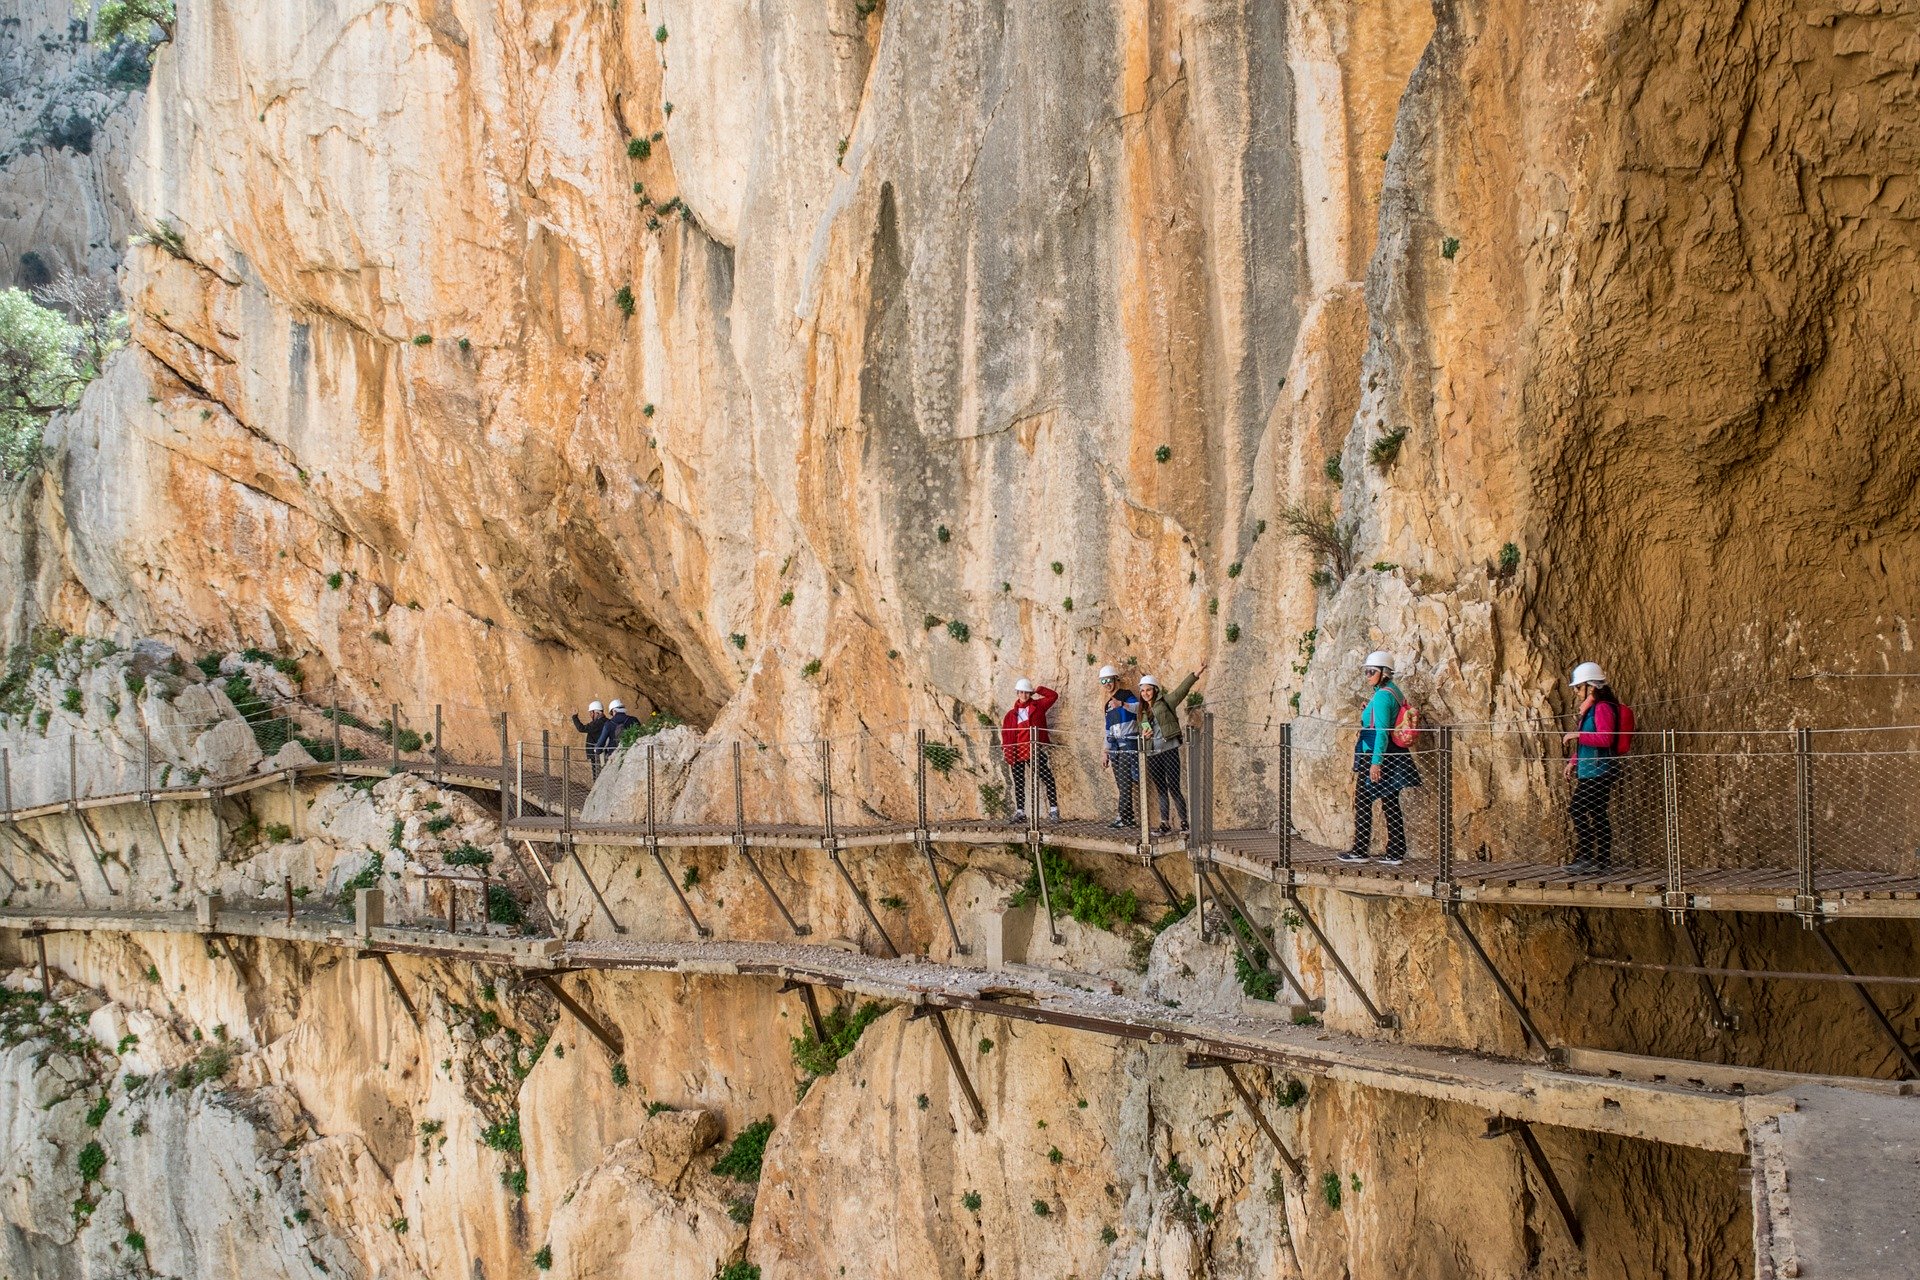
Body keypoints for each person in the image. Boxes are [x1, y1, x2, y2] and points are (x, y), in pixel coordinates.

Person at [1339, 652, 1420, 866]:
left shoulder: (1383, 696)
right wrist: (1370, 709)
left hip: (1376, 754)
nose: (1367, 675)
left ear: (1383, 672)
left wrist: (1376, 763)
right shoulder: (1390, 692)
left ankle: (1360, 850)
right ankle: (1395, 851)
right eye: (1366, 671)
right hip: (1390, 754)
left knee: (1363, 801)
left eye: (1371, 671)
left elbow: (1382, 731)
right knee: (1389, 801)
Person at [1562, 663, 1623, 872]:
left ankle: (1586, 856)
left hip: (1600, 771)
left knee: (1577, 809)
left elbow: (1605, 738)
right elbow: (1588, 743)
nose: (1576, 692)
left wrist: (1577, 735)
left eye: (1579, 687)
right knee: (1597, 812)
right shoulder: (1591, 711)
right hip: (1591, 770)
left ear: (1591, 686)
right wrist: (1573, 761)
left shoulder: (1603, 708)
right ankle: (1603, 861)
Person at [1138, 665, 1204, 835]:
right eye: (1143, 691)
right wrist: (1145, 735)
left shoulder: (1166, 701)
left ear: (1155, 690)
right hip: (1153, 753)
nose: (1145, 693)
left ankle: (1184, 823)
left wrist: (1195, 673)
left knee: (1174, 786)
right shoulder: (1142, 712)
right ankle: (1164, 824)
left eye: (1148, 690)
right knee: (1161, 789)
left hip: (1169, 750)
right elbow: (1143, 730)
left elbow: (1181, 691)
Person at [1001, 678, 1059, 822]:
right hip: (1017, 752)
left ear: (1030, 693)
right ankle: (1020, 813)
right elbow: (1006, 734)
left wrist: (1038, 689)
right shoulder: (1010, 715)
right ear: (1017, 693)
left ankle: (1054, 810)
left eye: (1027, 692)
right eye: (1021, 692)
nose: (1024, 695)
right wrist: (1007, 752)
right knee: (1019, 782)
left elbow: (1053, 696)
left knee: (1047, 777)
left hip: (1033, 750)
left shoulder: (1038, 706)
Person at [1099, 666, 1142, 828]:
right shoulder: (1108, 705)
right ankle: (1128, 817)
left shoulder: (1126, 695)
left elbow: (1139, 708)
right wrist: (1105, 752)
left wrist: (1122, 704)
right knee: (1121, 783)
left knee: (1124, 782)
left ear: (1116, 679)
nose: (1106, 683)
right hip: (1115, 748)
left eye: (1109, 680)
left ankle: (1122, 817)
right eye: (1103, 681)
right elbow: (1107, 729)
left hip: (1128, 744)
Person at [571, 700, 608, 775]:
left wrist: (575, 717)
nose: (590, 715)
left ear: (596, 713)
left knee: (597, 774)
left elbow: (582, 728)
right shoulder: (606, 721)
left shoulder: (598, 723)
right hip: (603, 752)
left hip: (597, 753)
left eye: (591, 713)